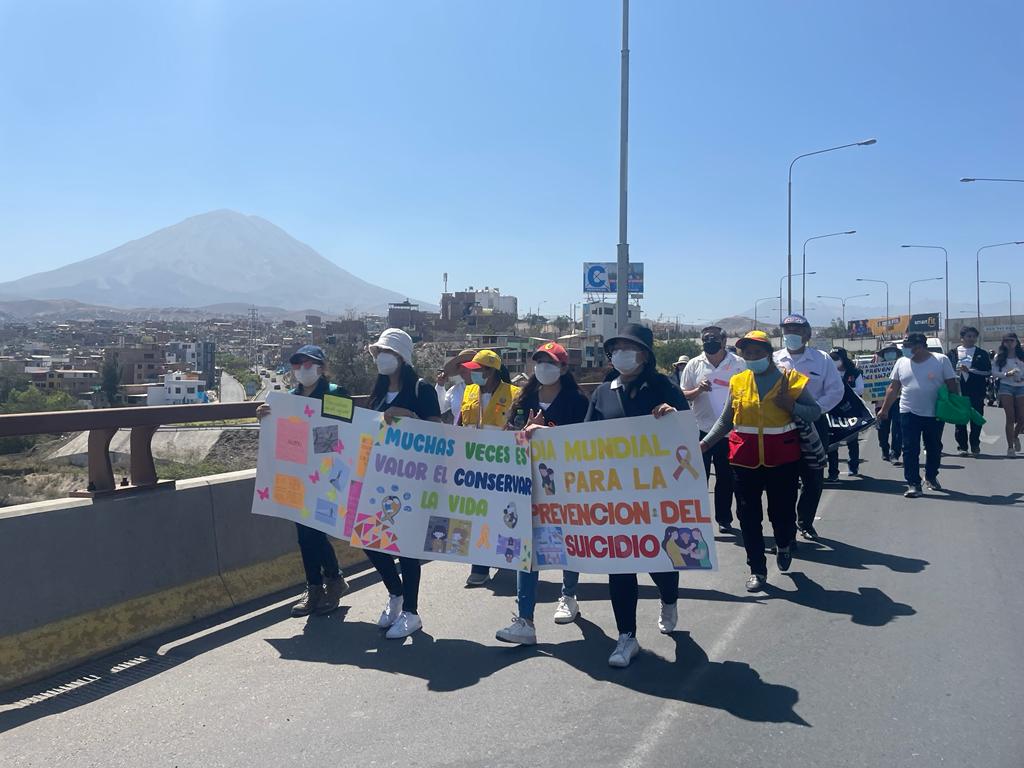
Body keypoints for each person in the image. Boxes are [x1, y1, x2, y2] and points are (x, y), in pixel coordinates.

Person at [585, 323, 688, 668]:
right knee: (621, 563)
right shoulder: (602, 392)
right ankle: (626, 636)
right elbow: (581, 441)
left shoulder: (664, 387)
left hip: (656, 493)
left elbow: (686, 434)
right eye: (615, 348)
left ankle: (669, 597)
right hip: (614, 494)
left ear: (644, 354)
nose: (620, 354)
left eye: (628, 347)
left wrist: (672, 418)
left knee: (658, 558)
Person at [701, 330, 820, 593]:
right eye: (747, 352)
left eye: (757, 352)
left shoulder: (791, 380)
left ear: (768, 353)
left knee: (782, 512)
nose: (751, 357)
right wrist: (706, 443)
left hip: (783, 461)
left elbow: (814, 412)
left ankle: (784, 543)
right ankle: (757, 569)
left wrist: (791, 405)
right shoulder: (739, 381)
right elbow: (725, 420)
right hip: (744, 461)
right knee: (748, 517)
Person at [494, 341, 590, 645]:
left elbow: (587, 442)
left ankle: (569, 595)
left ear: (563, 368)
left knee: (567, 539)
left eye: (550, 362)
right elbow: (507, 437)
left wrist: (547, 433)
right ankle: (525, 620)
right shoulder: (524, 399)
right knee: (528, 548)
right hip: (527, 485)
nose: (543, 367)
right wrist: (525, 432)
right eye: (539, 361)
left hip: (566, 486)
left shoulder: (577, 401)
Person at [255, 345, 350, 618]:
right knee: (304, 534)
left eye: (308, 364)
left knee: (315, 531)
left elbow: (342, 430)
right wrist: (266, 416)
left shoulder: (334, 393)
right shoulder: (290, 398)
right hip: (298, 474)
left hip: (326, 472)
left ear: (321, 367)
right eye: (297, 365)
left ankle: (331, 580)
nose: (302, 370)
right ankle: (317, 585)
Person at [365, 328, 443, 639]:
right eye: (378, 352)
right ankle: (395, 593)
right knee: (370, 539)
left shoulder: (422, 389)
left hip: (413, 478)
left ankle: (411, 612)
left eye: (388, 353)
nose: (381, 358)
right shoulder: (378, 392)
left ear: (402, 357)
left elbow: (438, 433)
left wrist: (407, 417)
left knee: (407, 546)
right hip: (380, 477)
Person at [773, 314, 844, 539]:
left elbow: (835, 391)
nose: (791, 334)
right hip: (780, 425)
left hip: (814, 423)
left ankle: (805, 521)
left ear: (807, 334)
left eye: (797, 329)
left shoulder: (821, 359)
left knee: (813, 476)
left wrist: (812, 411)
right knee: (783, 477)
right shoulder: (773, 359)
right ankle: (785, 527)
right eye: (787, 330)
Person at [460, 349, 521, 586]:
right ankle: (480, 565)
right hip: (474, 463)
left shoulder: (514, 393)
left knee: (506, 512)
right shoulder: (469, 392)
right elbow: (460, 423)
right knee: (477, 514)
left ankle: (510, 555)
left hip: (504, 464)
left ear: (492, 372)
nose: (473, 375)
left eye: (479, 370)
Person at [680, 326, 745, 533]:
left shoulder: (738, 364)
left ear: (724, 340)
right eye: (705, 338)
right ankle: (698, 521)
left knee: (726, 479)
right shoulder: (694, 364)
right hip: (701, 430)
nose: (709, 341)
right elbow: (683, 395)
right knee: (699, 478)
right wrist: (698, 390)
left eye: (714, 338)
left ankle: (724, 519)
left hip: (729, 431)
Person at [879, 333, 958, 498]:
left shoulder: (941, 360)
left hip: (934, 413)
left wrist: (954, 407)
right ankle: (913, 483)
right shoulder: (901, 362)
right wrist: (884, 409)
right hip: (908, 412)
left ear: (921, 346)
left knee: (934, 447)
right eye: (905, 346)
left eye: (910, 346)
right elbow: (893, 388)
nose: (906, 350)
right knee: (909, 449)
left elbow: (952, 385)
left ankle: (931, 476)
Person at [948, 326, 992, 457]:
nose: (971, 339)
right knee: (960, 419)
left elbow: (988, 371)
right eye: (968, 336)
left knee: (976, 418)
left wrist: (970, 371)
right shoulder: (952, 353)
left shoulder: (982, 353)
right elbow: (946, 371)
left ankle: (975, 444)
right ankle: (962, 446)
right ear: (962, 338)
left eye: (973, 336)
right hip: (959, 390)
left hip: (976, 390)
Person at [827, 347, 865, 480]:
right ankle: (833, 472)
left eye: (836, 358)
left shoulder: (854, 372)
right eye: (831, 358)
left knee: (852, 439)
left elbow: (860, 389)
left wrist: (842, 389)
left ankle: (853, 466)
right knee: (832, 442)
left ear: (843, 358)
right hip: (832, 410)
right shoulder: (828, 371)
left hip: (850, 412)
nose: (834, 361)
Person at [993, 333, 1024, 456]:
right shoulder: (999, 357)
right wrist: (1006, 375)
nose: (1009, 343)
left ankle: (1015, 436)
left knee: (1022, 418)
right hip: (1006, 386)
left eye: (1012, 340)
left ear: (1016, 342)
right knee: (1010, 417)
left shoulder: (1021, 356)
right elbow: (994, 372)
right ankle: (1010, 447)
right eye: (1006, 341)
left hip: (1021, 386)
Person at [873, 345, 903, 465]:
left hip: (898, 401)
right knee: (883, 429)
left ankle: (895, 453)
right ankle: (885, 450)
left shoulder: (902, 365)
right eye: (887, 352)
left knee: (898, 428)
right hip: (881, 402)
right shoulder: (875, 366)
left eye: (892, 352)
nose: (890, 354)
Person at [442, 348, 476, 426]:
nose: (462, 368)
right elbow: (440, 408)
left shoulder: (486, 388)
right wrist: (440, 386)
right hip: (458, 434)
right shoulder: (454, 390)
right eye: (459, 366)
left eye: (466, 364)